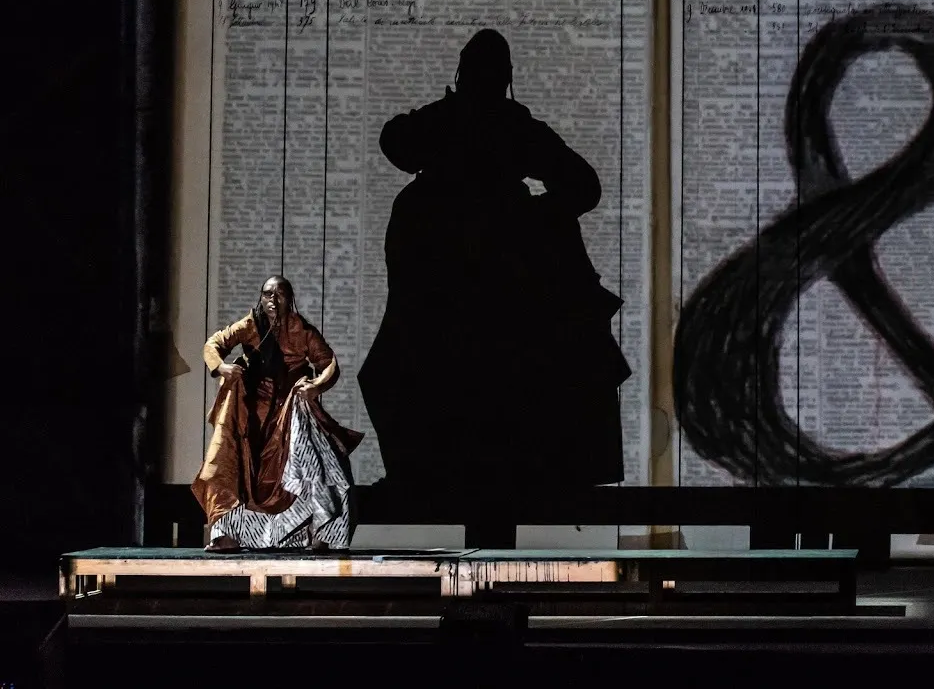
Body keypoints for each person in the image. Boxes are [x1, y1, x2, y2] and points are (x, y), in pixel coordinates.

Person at [358, 28, 631, 498]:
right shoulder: (509, 127)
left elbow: (396, 140)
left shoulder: (482, 125)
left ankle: (432, 472)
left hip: (462, 265)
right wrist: (536, 213)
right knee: (413, 369)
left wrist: (534, 214)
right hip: (455, 263)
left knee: (431, 370)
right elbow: (583, 186)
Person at [192, 276, 362, 553]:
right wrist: (222, 367)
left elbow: (329, 363)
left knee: (311, 462)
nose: (272, 300)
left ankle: (319, 528)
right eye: (267, 294)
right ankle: (230, 533)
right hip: (254, 410)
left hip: (291, 405)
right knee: (236, 467)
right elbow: (214, 344)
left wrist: (316, 386)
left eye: (279, 294)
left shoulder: (302, 329)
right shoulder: (250, 324)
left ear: (289, 298)